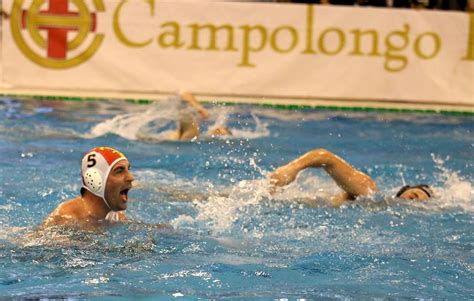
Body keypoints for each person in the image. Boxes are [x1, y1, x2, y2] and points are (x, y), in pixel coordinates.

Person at [270, 148, 433, 207]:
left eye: (421, 203)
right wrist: (292, 169)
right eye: (415, 195)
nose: (414, 201)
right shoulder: (369, 191)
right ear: (404, 191)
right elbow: (325, 157)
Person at [41, 147, 134, 230]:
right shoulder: (65, 218)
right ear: (95, 179)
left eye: (128, 169)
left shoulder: (117, 217)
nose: (130, 177)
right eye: (119, 171)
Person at [165, 91, 231, 141]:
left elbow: (183, 93)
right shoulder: (197, 134)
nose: (217, 129)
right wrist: (200, 109)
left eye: (218, 131)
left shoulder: (194, 134)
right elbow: (184, 93)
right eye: (219, 129)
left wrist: (200, 109)